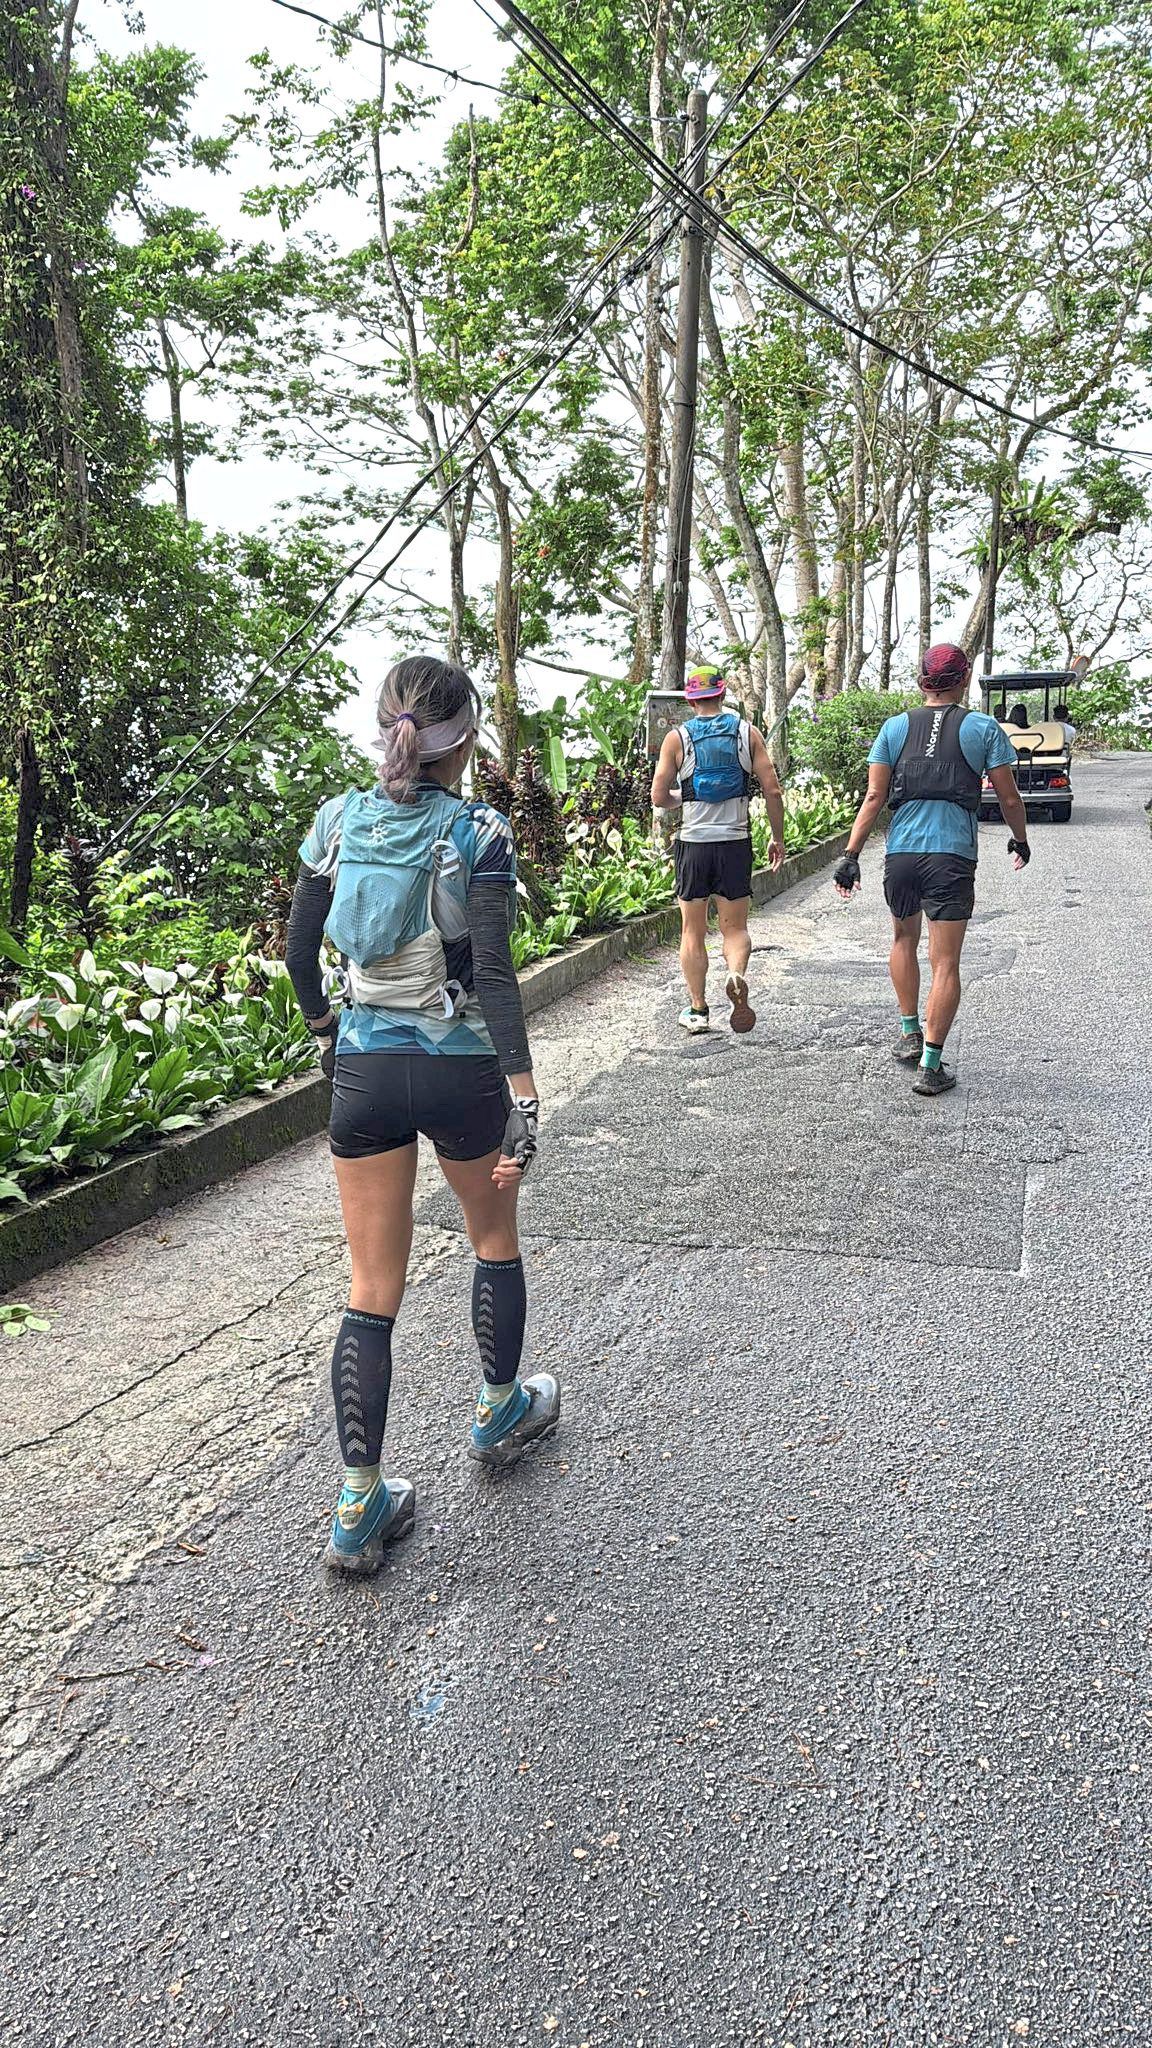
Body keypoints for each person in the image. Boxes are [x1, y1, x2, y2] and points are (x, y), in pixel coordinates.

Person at [285, 655, 559, 1576]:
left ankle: (360, 1501)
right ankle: (499, 1409)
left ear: (385, 728)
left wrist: (330, 1031)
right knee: (492, 1241)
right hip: (460, 1069)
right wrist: (523, 1088)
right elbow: (490, 973)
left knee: (371, 1288)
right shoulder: (477, 829)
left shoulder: (334, 820)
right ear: (465, 740)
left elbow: (297, 953)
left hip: (363, 1070)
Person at [831, 642, 1031, 1097]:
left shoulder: (894, 727)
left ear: (922, 681)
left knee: (902, 938)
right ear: (964, 680)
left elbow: (874, 798)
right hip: (951, 857)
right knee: (946, 963)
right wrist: (1019, 839)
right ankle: (931, 1065)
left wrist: (851, 854)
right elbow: (1010, 797)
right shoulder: (982, 728)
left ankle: (908, 1032)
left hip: (900, 855)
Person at [650, 664, 785, 1034]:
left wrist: (686, 796)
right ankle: (736, 974)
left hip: (693, 845)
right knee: (735, 928)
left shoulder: (677, 738)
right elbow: (772, 790)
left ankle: (698, 1011)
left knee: (692, 932)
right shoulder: (747, 733)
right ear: (723, 695)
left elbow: (659, 797)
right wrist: (778, 837)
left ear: (691, 701)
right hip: (734, 844)